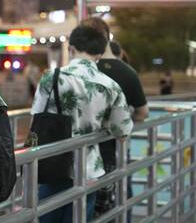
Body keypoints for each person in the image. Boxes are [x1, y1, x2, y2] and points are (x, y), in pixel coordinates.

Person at [31, 24, 133, 223]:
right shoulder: (110, 85)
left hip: (52, 164)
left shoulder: (51, 78)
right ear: (101, 53)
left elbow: (36, 118)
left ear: (71, 49)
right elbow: (123, 131)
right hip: (89, 168)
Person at [83, 18, 148, 221]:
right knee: (120, 202)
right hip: (115, 152)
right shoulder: (128, 73)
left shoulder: (81, 71)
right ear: (108, 37)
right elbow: (142, 112)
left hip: (81, 156)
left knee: (85, 208)